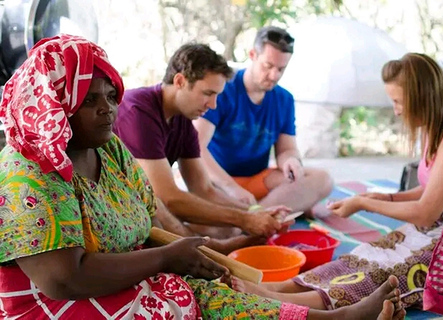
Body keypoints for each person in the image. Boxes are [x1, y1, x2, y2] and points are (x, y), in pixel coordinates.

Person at [0, 34, 406, 320]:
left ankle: (317, 312)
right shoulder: (28, 176)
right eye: (89, 100)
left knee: (204, 277)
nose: (108, 109)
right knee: (181, 292)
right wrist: (179, 253)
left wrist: (209, 241)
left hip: (127, 259)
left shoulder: (108, 149)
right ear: (55, 104)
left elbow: (163, 207)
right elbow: (62, 281)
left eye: (110, 96)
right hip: (52, 304)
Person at [226, 53, 443, 316]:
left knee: (391, 270)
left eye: (398, 102)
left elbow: (427, 212)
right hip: (431, 227)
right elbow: (434, 187)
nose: (396, 110)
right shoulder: (435, 130)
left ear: (421, 98)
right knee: (366, 254)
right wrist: (385, 197)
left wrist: (363, 202)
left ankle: (277, 301)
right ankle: (282, 287)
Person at [113, 43, 289, 244]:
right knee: (158, 207)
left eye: (217, 96)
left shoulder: (183, 119)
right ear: (180, 81)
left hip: (149, 205)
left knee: (226, 228)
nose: (213, 105)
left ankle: (207, 248)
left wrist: (256, 212)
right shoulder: (138, 109)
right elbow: (169, 197)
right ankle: (209, 252)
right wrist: (244, 220)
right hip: (115, 205)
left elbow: (204, 189)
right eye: (207, 94)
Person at [193, 26, 333, 215]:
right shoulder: (224, 89)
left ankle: (255, 216)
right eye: (268, 66)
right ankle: (261, 214)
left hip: (259, 180)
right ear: (253, 55)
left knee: (322, 179)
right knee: (210, 223)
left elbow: (286, 150)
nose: (274, 75)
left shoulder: (284, 99)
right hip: (220, 183)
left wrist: (291, 161)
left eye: (281, 69)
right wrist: (231, 188)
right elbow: (196, 148)